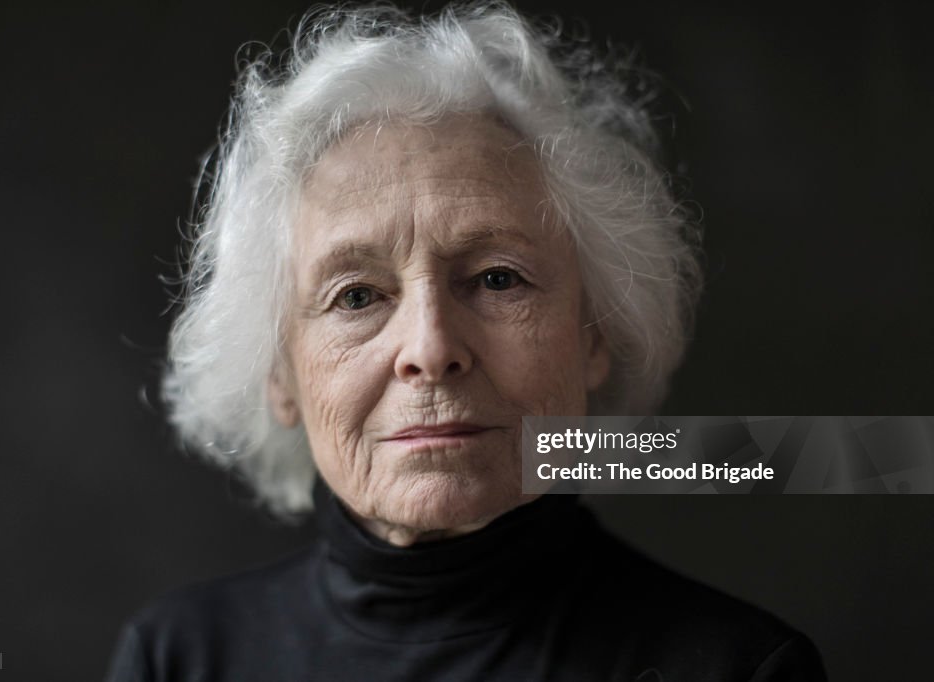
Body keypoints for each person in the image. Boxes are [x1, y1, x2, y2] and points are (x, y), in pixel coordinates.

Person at [107, 3, 827, 680]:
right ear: (280, 374)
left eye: (496, 280)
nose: (430, 346)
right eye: (356, 296)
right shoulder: (179, 659)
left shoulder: (739, 668)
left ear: (594, 335)